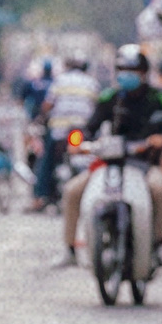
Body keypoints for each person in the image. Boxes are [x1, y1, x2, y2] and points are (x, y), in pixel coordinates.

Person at [54, 45, 162, 268]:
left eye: (132, 70)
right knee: (72, 190)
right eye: (122, 69)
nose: (126, 75)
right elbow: (90, 127)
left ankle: (161, 243)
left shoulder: (158, 98)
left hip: (143, 164)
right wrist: (79, 141)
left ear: (143, 73)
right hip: (110, 161)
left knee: (159, 188)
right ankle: (70, 249)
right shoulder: (110, 98)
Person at [34, 56, 98, 209]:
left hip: (60, 131)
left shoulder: (60, 81)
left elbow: (48, 105)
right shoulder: (92, 83)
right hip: (83, 130)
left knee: (46, 161)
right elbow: (97, 106)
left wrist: (40, 117)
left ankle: (40, 196)